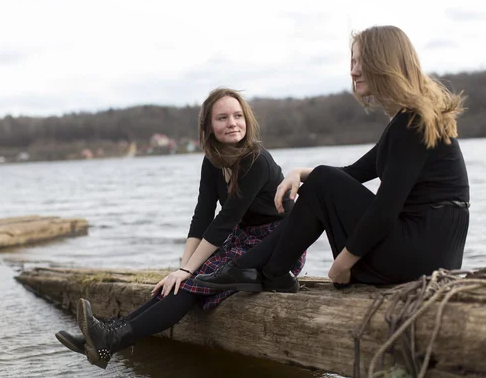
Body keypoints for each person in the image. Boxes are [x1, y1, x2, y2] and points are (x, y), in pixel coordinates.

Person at [195, 25, 470, 292]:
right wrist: (299, 173)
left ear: (384, 62)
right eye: (352, 61)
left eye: (361, 61)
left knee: (323, 180)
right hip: (426, 253)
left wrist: (344, 261)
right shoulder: (411, 120)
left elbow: (385, 208)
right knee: (322, 181)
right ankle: (263, 270)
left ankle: (256, 269)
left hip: (422, 257)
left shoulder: (413, 123)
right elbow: (353, 173)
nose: (353, 71)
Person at [54, 87, 306, 368]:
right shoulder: (213, 161)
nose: (232, 123)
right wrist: (183, 267)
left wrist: (186, 271)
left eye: (237, 116)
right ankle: (109, 334)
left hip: (277, 245)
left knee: (192, 284)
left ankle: (110, 338)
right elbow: (202, 216)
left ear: (247, 120)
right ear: (209, 126)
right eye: (222, 118)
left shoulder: (256, 160)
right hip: (242, 239)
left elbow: (226, 221)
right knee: (185, 281)